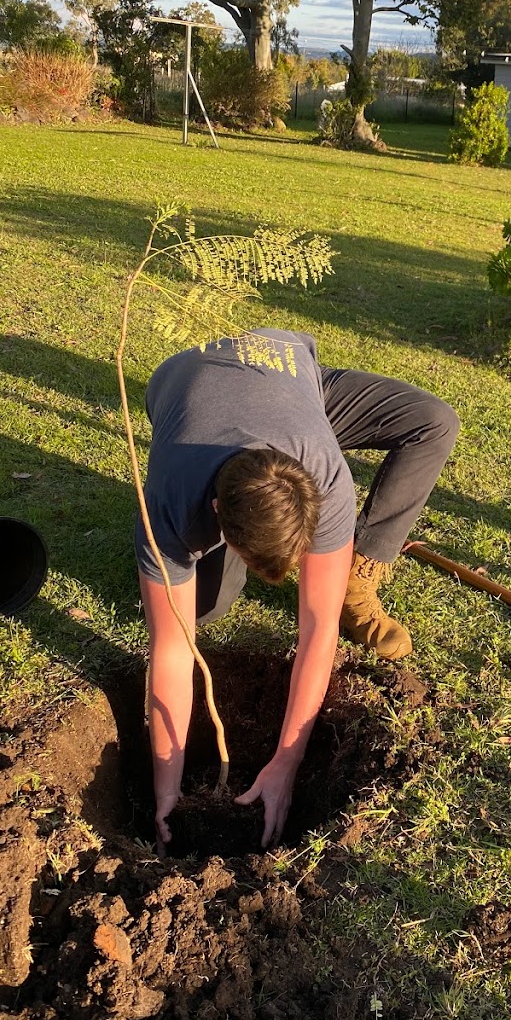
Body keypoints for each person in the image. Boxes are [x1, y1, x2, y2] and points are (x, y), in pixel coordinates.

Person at [136, 329, 459, 848]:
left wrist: (287, 760)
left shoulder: (326, 480)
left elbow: (318, 628)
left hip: (285, 370)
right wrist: (167, 788)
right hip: (183, 381)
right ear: (219, 514)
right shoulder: (170, 503)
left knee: (435, 421)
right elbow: (172, 648)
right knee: (206, 610)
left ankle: (361, 575)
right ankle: (227, 563)